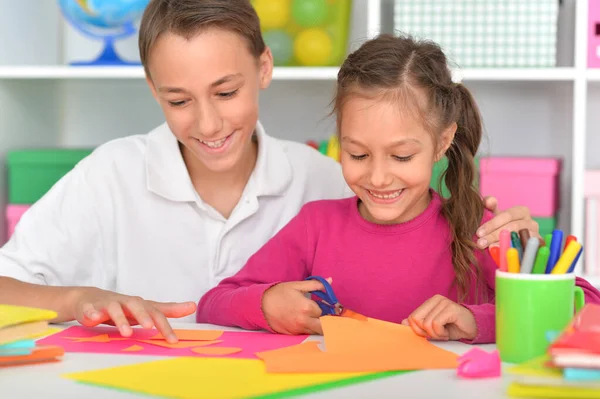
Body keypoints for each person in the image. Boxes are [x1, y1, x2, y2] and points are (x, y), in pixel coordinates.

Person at [0, 0, 537, 343]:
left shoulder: (327, 180)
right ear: (152, 89)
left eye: (227, 92)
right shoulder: (108, 175)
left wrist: (525, 268)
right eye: (179, 100)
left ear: (264, 68)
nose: (208, 121)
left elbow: (557, 304)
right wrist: (76, 299)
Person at [196, 33, 600, 343]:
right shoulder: (315, 225)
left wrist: (478, 320)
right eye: (357, 155)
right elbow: (213, 303)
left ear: (442, 142)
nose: (377, 178)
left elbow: (588, 309)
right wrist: (267, 304)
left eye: (401, 157)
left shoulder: (476, 228)